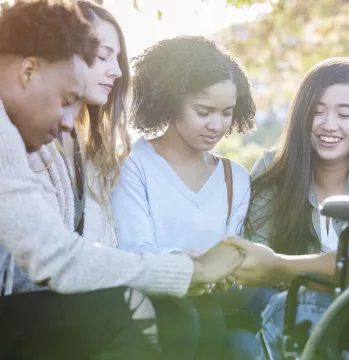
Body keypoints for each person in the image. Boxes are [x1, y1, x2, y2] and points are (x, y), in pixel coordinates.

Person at [0, 1, 243, 359]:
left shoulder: (90, 152)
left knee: (169, 313)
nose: (69, 120)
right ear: (29, 70)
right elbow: (55, 261)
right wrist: (191, 270)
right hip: (25, 303)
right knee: (118, 313)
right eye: (68, 99)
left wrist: (185, 268)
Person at [224, 58, 349, 360]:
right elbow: (257, 260)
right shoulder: (274, 170)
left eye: (344, 113)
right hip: (289, 318)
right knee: (237, 342)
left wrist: (284, 267)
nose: (328, 124)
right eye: (317, 111)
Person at [111, 36, 256, 360]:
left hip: (217, 301)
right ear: (171, 101)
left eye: (226, 113)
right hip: (156, 300)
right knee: (197, 315)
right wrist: (195, 264)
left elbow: (233, 251)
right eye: (203, 111)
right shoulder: (134, 164)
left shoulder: (236, 178)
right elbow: (135, 249)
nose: (216, 125)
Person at [13, 0, 129, 294]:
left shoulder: (92, 150)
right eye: (103, 56)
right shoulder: (26, 136)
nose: (116, 71)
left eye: (118, 59)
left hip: (75, 300)